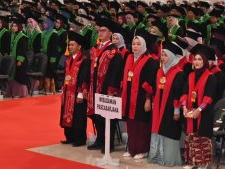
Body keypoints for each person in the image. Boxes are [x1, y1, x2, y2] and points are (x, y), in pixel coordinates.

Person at [180, 44, 224, 169]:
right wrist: (183, 106)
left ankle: (203, 162)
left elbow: (209, 97)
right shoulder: (190, 76)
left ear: (205, 61)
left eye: (200, 59)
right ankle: (191, 161)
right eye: (195, 59)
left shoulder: (210, 77)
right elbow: (184, 92)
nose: (197, 62)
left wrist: (199, 110)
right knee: (190, 137)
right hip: (190, 111)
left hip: (204, 112)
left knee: (201, 137)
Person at [148, 40, 187, 166]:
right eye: (162, 55)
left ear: (171, 57)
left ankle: (169, 159)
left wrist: (176, 110)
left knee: (168, 130)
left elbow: (178, 93)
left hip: (171, 109)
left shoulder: (179, 73)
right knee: (157, 129)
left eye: (165, 55)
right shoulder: (160, 71)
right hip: (158, 107)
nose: (163, 58)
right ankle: (157, 156)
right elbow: (156, 89)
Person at [88, 17, 124, 151]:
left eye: (103, 31)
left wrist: (111, 89)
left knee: (107, 117)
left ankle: (109, 144)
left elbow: (116, 73)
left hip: (107, 88)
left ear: (110, 34)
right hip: (94, 87)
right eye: (99, 30)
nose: (100, 33)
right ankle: (100, 140)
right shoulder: (95, 49)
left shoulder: (114, 52)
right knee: (97, 116)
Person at [121, 32, 158, 160]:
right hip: (129, 96)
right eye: (133, 44)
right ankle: (132, 149)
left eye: (138, 44)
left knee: (141, 125)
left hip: (142, 98)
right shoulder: (129, 58)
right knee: (131, 124)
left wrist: (148, 99)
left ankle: (143, 150)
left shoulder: (150, 61)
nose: (135, 47)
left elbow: (150, 82)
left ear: (143, 46)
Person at [59, 31, 90, 146]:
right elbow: (65, 75)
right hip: (67, 91)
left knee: (78, 116)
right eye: (69, 45)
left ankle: (80, 139)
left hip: (78, 92)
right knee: (66, 113)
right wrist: (63, 88)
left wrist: (81, 93)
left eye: (73, 45)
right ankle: (69, 137)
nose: (70, 47)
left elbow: (85, 77)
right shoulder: (68, 60)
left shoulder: (84, 60)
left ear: (79, 46)